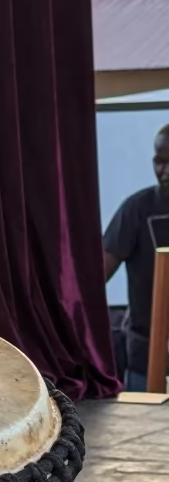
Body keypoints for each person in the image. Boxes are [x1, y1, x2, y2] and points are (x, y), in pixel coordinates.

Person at [103, 124, 169, 391]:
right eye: (159, 162)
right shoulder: (136, 209)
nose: (165, 172)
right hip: (145, 353)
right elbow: (97, 276)